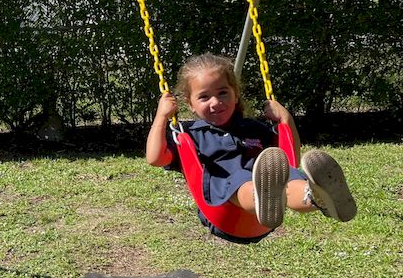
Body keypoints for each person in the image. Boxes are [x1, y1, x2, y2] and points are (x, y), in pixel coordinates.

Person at [145, 53, 356, 239]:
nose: (216, 102)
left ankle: (315, 197)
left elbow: (289, 153)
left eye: (222, 93)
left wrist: (285, 119)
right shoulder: (190, 135)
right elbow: (155, 158)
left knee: (289, 175)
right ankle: (262, 196)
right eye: (204, 97)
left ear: (235, 94)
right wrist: (162, 116)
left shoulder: (253, 127)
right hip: (227, 206)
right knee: (241, 178)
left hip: (268, 190)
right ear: (189, 103)